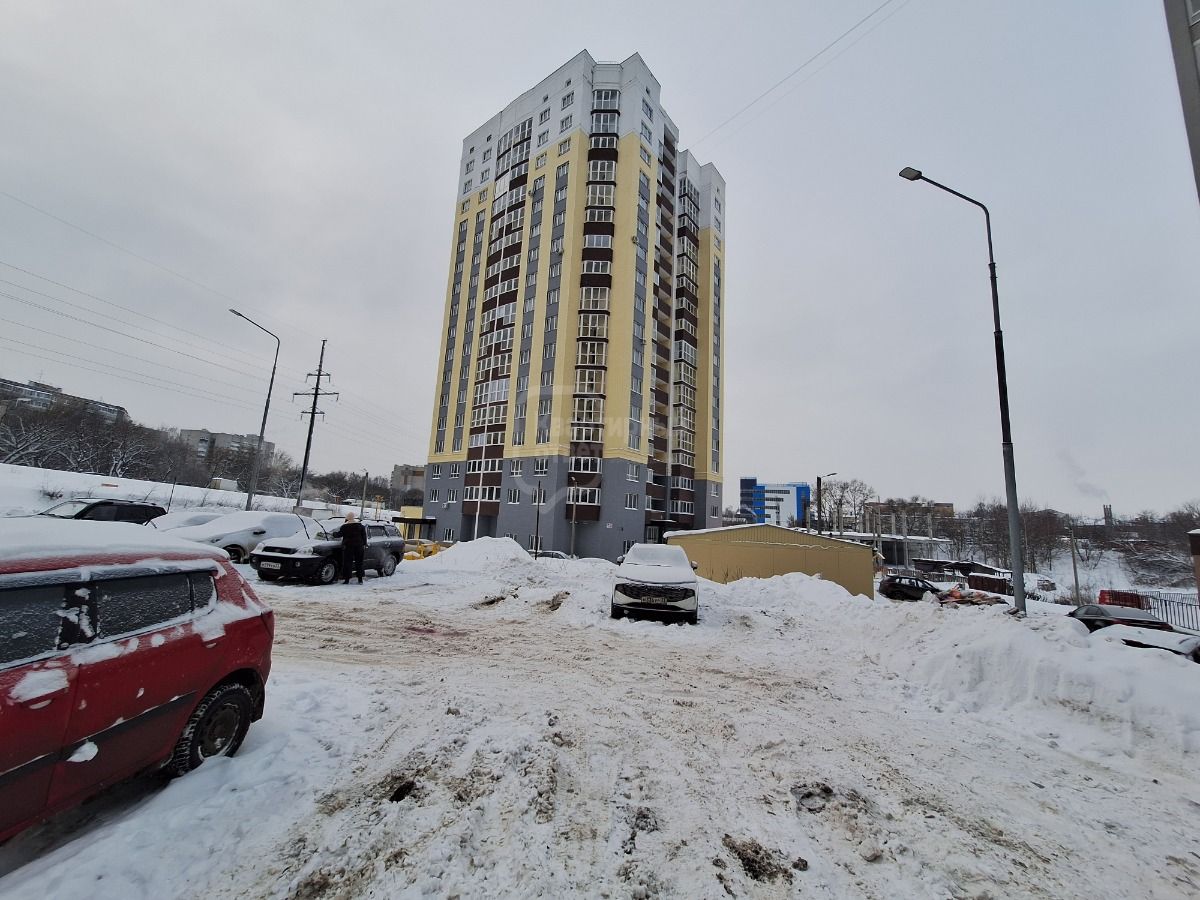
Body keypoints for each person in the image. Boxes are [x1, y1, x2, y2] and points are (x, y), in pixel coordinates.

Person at [337, 511, 368, 584]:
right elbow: (364, 536)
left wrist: (333, 534)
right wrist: (364, 544)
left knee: (348, 563)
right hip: (359, 547)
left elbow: (338, 535)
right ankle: (360, 580)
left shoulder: (345, 527)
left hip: (349, 547)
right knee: (359, 563)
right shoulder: (360, 526)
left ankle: (347, 580)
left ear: (347, 519)